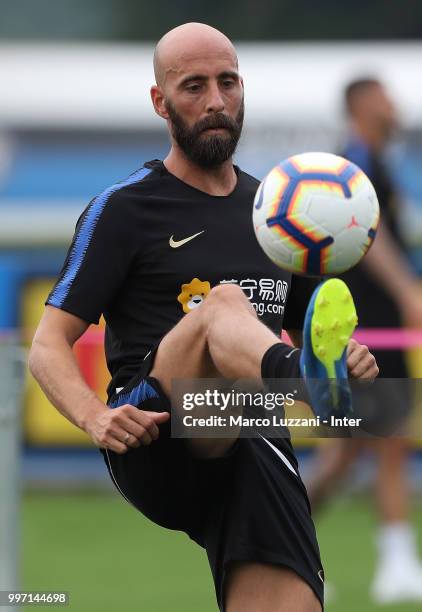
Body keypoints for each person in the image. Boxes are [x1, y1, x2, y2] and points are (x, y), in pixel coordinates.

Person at [28, 25, 377, 612]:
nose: (216, 101)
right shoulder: (124, 208)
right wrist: (93, 416)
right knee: (224, 305)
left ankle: (305, 378)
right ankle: (301, 378)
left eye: (228, 82)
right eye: (194, 86)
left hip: (253, 436)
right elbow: (46, 346)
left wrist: (346, 362)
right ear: (160, 102)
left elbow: (315, 326)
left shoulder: (275, 212)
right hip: (156, 434)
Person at [307, 78, 422, 604]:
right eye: (384, 96)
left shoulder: (374, 158)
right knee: (385, 441)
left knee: (352, 452)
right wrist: (408, 290)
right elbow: (366, 233)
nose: (394, 105)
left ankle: (280, 547)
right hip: (364, 323)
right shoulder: (353, 162)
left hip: (365, 322)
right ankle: (397, 565)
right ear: (361, 104)